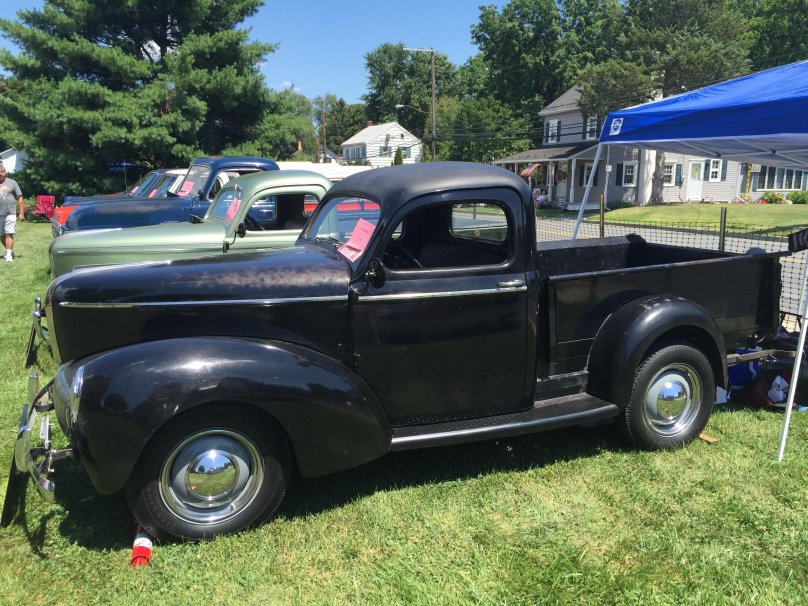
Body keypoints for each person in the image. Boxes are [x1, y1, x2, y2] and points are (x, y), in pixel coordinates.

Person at [0, 163, 25, 262]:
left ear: (5, 171)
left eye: (2, 171)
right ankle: (8, 251)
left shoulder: (12, 182)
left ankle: (9, 255)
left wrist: (21, 213)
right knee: (1, 236)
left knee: (9, 234)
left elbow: (20, 198)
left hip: (10, 213)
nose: (1, 173)